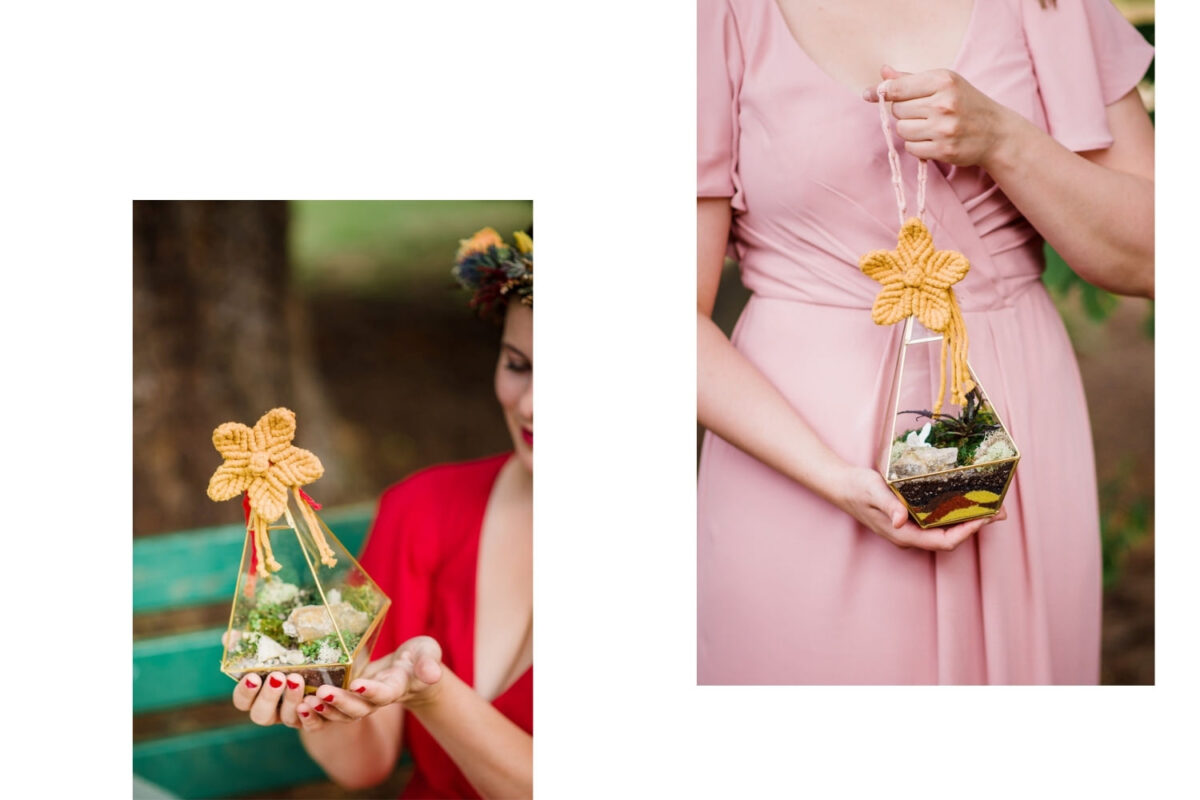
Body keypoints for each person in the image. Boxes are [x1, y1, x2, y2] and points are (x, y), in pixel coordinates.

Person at [697, 0, 1153, 684]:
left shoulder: (1050, 7)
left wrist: (1005, 140)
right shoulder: (712, 16)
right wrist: (834, 479)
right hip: (795, 456)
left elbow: (1155, 257)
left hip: (1017, 436)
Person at [231, 226, 533, 797]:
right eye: (519, 364)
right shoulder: (420, 509)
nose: (532, 404)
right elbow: (361, 767)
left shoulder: (702, 560)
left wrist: (434, 694)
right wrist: (319, 697)